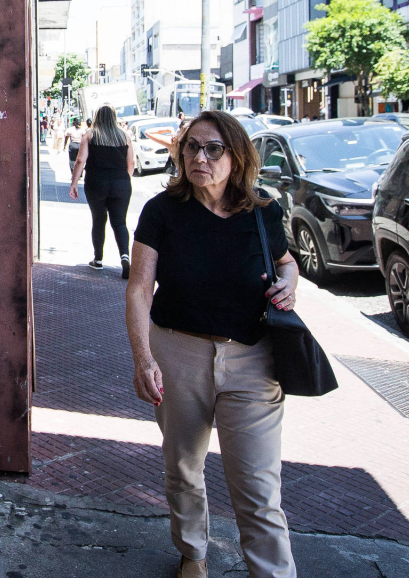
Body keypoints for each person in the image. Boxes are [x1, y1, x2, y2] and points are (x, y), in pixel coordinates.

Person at [125, 110, 300, 578]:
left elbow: (286, 262)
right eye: (192, 147)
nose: (199, 157)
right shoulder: (161, 211)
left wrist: (290, 281)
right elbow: (140, 288)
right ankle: (193, 553)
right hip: (177, 353)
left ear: (237, 156)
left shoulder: (264, 211)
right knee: (183, 467)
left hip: (252, 360)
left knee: (258, 488)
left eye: (213, 149)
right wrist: (143, 358)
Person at [69, 105, 135, 277]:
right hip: (121, 182)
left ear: (97, 116)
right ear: (114, 117)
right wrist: (124, 180)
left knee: (99, 219)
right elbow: (131, 163)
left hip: (96, 182)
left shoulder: (90, 135)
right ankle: (125, 257)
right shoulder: (124, 136)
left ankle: (98, 260)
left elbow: (80, 160)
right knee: (120, 222)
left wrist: (74, 183)